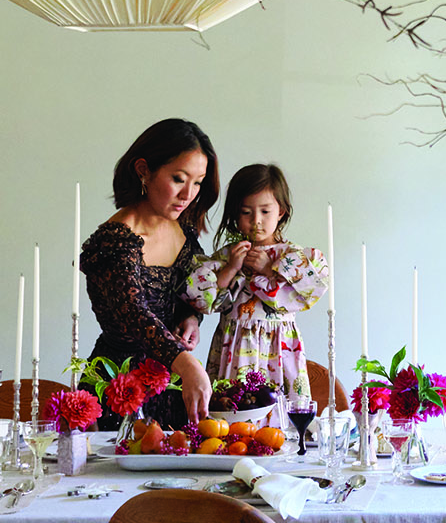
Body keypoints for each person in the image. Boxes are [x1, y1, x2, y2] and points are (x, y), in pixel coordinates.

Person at [80, 118, 218, 427]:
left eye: (198, 182)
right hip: (121, 388)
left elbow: (192, 288)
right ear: (143, 169)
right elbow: (134, 313)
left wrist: (192, 317)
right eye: (179, 179)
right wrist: (188, 365)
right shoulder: (115, 240)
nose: (189, 194)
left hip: (173, 387)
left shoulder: (184, 228)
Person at [185, 163, 329, 426]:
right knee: (231, 417)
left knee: (278, 419)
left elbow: (305, 295)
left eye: (265, 211)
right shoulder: (229, 255)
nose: (256, 221)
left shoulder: (292, 256)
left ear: (281, 211)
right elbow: (203, 299)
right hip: (235, 346)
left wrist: (268, 268)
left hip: (279, 346)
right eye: (246, 212)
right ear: (235, 215)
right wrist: (231, 268)